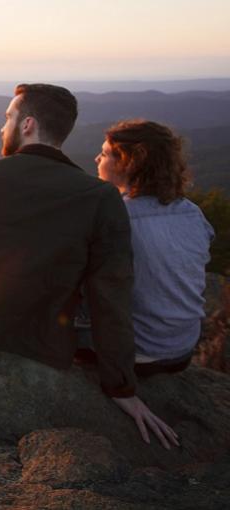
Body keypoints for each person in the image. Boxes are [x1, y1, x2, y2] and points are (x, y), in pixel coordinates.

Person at [0, 85, 179, 449]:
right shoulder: (102, 197)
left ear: (27, 124)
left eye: (8, 119)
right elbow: (110, 296)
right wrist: (121, 387)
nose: (3, 128)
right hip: (43, 345)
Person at [76, 119, 214, 377]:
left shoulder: (113, 217)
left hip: (137, 352)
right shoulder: (192, 213)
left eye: (105, 153)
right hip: (183, 348)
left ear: (128, 162)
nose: (97, 159)